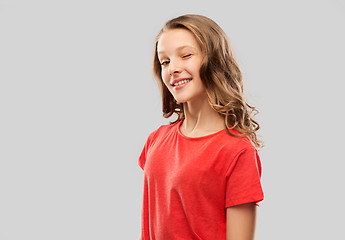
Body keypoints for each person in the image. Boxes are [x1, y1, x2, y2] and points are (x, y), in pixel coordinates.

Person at [138, 14, 264, 240]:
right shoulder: (155, 141)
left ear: (214, 61)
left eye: (185, 55)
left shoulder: (237, 151)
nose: (172, 69)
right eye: (165, 61)